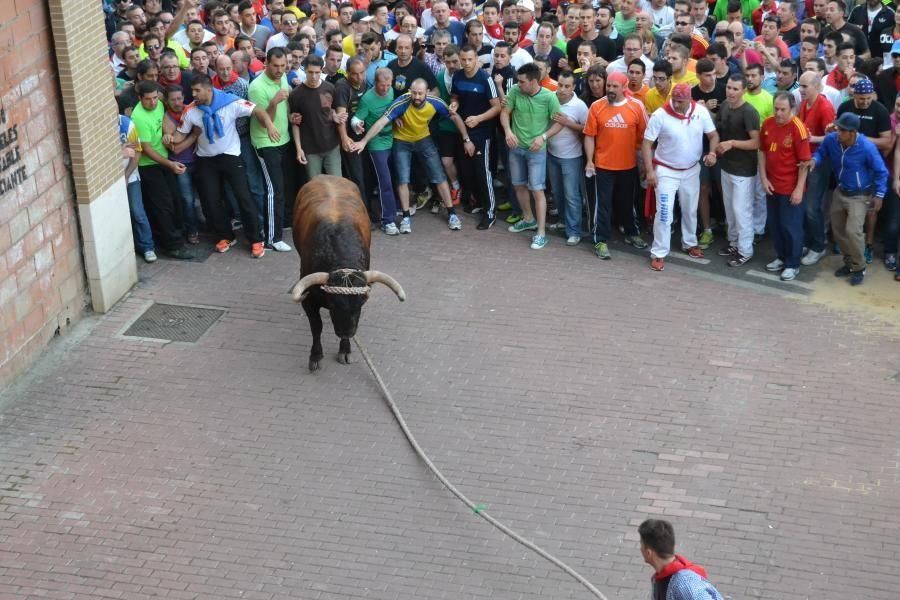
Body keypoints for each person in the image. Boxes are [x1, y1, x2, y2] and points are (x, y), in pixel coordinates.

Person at [169, 74, 280, 258]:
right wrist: (170, 138)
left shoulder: (231, 102)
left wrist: (269, 125)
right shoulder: (190, 110)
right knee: (212, 201)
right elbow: (181, 134)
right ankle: (225, 236)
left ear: (208, 89)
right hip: (206, 159)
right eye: (193, 90)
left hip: (231, 156)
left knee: (243, 197)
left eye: (197, 90)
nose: (194, 94)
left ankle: (256, 239)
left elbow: (257, 110)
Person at [350, 78, 474, 232]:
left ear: (427, 93)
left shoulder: (435, 102)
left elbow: (454, 116)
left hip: (424, 139)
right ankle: (406, 217)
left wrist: (466, 139)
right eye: (413, 93)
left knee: (439, 176)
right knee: (402, 179)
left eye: (420, 93)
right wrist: (364, 141)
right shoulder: (401, 102)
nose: (416, 96)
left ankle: (452, 213)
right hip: (402, 141)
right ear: (409, 91)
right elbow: (381, 122)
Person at [642, 83, 719, 271]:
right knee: (664, 214)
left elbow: (713, 135)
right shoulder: (660, 115)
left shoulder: (700, 111)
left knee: (690, 210)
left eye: (681, 101)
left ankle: (690, 242)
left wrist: (713, 153)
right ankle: (659, 252)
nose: (676, 105)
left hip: (691, 170)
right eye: (674, 100)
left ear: (689, 99)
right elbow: (646, 144)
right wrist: (650, 171)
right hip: (666, 171)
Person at [812, 112, 888, 285]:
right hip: (841, 192)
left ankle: (859, 267)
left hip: (860, 196)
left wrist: (880, 195)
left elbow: (881, 172)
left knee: (853, 232)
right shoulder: (832, 140)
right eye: (838, 129)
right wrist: (813, 161)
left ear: (852, 132)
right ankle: (848, 263)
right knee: (838, 232)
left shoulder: (867, 147)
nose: (837, 133)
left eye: (842, 131)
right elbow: (821, 152)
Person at [583, 71, 648, 259]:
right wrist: (589, 161)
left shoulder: (637, 106)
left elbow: (645, 138)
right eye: (608, 86)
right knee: (601, 205)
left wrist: (643, 163)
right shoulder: (596, 106)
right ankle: (600, 240)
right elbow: (589, 136)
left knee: (628, 203)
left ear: (624, 87)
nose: (610, 89)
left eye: (614, 86)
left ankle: (632, 233)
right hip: (602, 166)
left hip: (628, 165)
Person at [500, 62, 564, 249]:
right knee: (519, 185)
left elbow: (559, 122)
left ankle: (541, 232)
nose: (518, 84)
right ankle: (528, 218)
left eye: (521, 81)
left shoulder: (549, 97)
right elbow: (505, 112)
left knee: (537, 190)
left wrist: (543, 136)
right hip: (516, 147)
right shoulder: (514, 92)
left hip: (537, 151)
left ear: (534, 81)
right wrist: (508, 132)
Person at [130, 81, 194, 260]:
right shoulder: (138, 117)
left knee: (175, 200)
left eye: (154, 98)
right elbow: (147, 149)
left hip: (165, 161)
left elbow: (166, 117)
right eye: (147, 100)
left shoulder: (159, 103)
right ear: (139, 98)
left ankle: (177, 237)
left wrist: (168, 133)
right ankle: (172, 247)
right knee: (163, 206)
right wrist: (170, 164)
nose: (152, 103)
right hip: (149, 166)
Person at [758, 92, 812, 282]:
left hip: (790, 188)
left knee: (791, 227)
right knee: (775, 225)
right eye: (776, 109)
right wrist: (763, 178)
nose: (779, 113)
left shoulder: (799, 129)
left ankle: (793, 264)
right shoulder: (767, 124)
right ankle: (781, 257)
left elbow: (805, 162)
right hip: (772, 186)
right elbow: (762, 152)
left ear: (792, 109)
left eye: (783, 110)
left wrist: (799, 189)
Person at [450, 45, 502, 229]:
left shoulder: (485, 79)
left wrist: (479, 119)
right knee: (467, 171)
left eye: (470, 59)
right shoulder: (457, 76)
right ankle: (478, 202)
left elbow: (497, 107)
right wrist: (454, 104)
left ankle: (490, 212)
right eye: (463, 59)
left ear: (476, 59)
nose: (466, 63)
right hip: (464, 131)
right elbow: (455, 97)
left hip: (483, 133)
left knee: (483, 173)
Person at [248, 47, 293, 251]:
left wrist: (292, 117)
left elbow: (286, 107)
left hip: (284, 139)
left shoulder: (283, 77)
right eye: (275, 66)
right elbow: (266, 120)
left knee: (284, 188)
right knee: (274, 190)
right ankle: (272, 238)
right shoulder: (257, 87)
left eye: (283, 66)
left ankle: (281, 227)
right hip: (266, 143)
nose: (280, 70)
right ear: (266, 63)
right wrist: (274, 102)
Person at [715, 73, 761, 267]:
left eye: (735, 89)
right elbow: (716, 131)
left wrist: (732, 143)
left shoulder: (749, 112)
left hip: (744, 170)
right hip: (727, 166)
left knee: (741, 212)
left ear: (743, 91)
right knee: (730, 211)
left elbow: (756, 142)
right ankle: (734, 243)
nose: (731, 92)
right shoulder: (725, 106)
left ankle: (745, 250)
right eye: (729, 88)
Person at [797, 70, 835, 266]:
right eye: (800, 85)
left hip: (819, 162)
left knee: (812, 206)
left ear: (816, 86)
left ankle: (818, 246)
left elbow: (832, 137)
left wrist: (813, 139)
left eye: (804, 86)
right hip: (806, 159)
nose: (801, 90)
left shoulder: (825, 106)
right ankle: (810, 241)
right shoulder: (805, 103)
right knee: (805, 205)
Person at [352, 68, 397, 233]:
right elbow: (356, 118)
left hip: (393, 139)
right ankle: (388, 220)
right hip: (376, 144)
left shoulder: (392, 90)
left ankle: (394, 208)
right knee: (384, 181)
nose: (385, 89)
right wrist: (356, 125)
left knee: (396, 178)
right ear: (375, 83)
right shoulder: (367, 99)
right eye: (382, 85)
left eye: (388, 85)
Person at [547, 70, 588, 245]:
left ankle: (574, 230)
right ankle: (564, 222)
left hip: (571, 157)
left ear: (573, 87)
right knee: (557, 192)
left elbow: (587, 129)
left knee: (572, 195)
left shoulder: (579, 106)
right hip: (551, 153)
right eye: (560, 85)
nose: (562, 89)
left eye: (567, 86)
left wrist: (568, 123)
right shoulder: (550, 98)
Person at [638, 519, 726, 600]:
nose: (640, 548)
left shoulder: (684, 583)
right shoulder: (661, 577)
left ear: (649, 553)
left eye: (641, 544)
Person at [288, 55, 344, 178]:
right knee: (315, 187)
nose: (313, 76)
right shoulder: (296, 94)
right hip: (310, 149)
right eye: (310, 72)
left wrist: (335, 116)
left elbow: (331, 109)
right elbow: (295, 123)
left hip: (332, 146)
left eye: (317, 72)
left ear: (322, 70)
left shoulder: (329, 88)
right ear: (305, 70)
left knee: (338, 184)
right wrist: (299, 149)